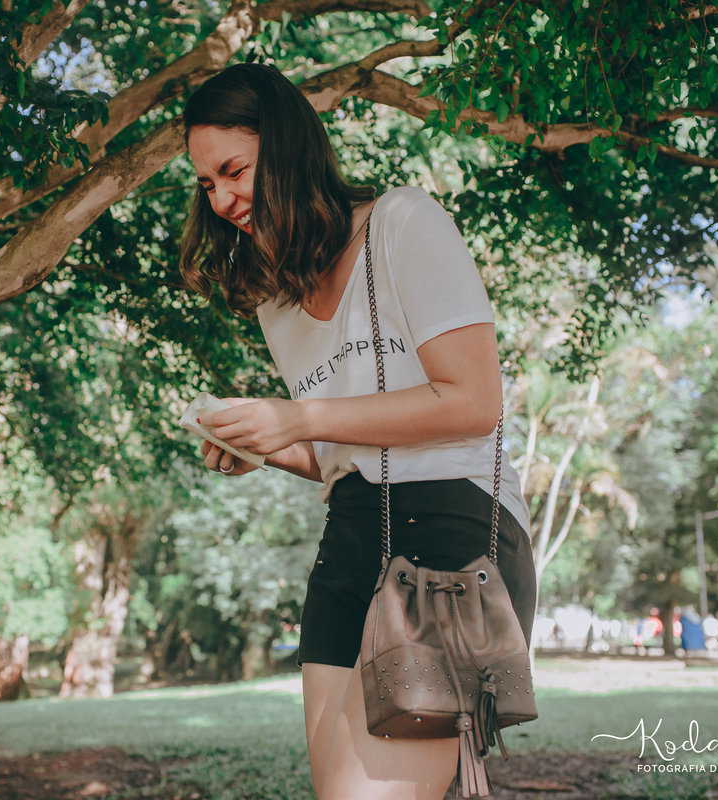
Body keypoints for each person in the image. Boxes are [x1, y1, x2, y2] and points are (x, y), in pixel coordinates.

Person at [178, 63, 536, 800]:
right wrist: (270, 445)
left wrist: (300, 416)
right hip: (347, 540)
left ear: (284, 144)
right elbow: (349, 451)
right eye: (206, 184)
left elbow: (472, 401)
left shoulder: (403, 223)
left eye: (233, 171)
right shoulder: (274, 308)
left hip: (451, 530)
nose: (220, 200)